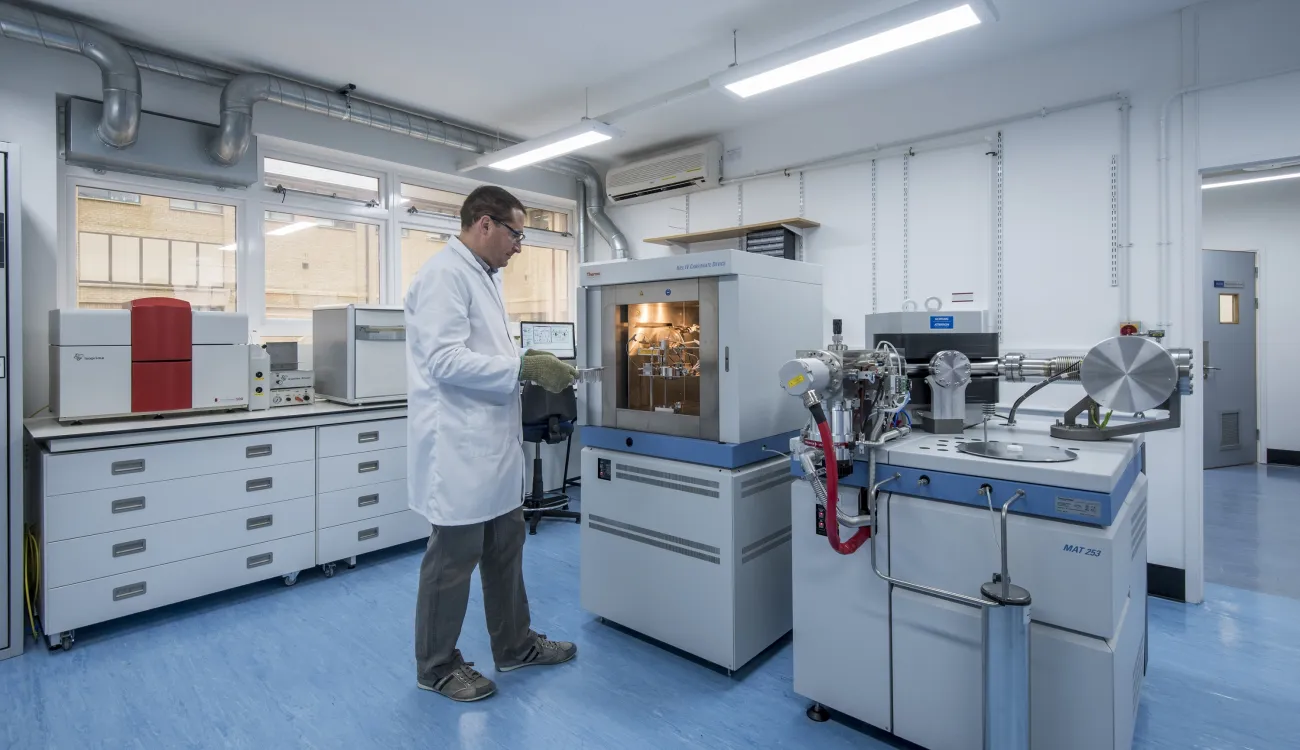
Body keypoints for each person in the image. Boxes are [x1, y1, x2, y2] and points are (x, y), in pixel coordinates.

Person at [405, 185, 579, 702]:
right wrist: (522, 366)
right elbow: (444, 361)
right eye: (515, 233)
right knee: (452, 559)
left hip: (492, 449)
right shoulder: (444, 275)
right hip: (457, 447)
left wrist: (518, 362)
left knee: (506, 547)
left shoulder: (481, 275)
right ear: (485, 223)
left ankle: (516, 646)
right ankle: (436, 666)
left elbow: (482, 351)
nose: (519, 246)